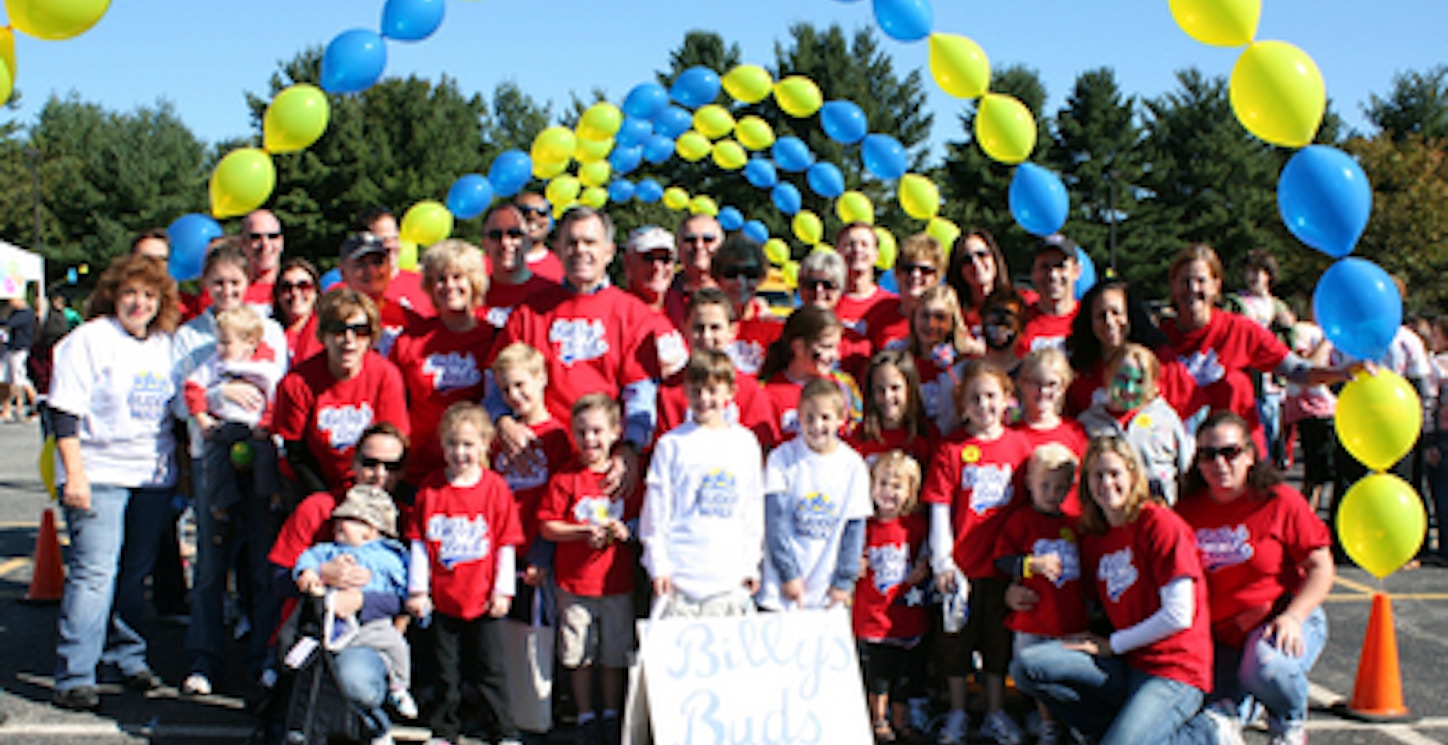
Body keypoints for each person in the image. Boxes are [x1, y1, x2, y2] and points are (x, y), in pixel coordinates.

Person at [1009, 437, 1233, 745]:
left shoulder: (1159, 523)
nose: (1106, 483)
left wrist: (1113, 644)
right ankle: (1109, 732)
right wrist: (1014, 590)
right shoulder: (1095, 536)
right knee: (1027, 666)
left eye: (1115, 473)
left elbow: (1179, 615)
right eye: (1097, 475)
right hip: (1128, 663)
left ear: (1132, 475)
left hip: (1174, 672)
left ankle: (1206, 733)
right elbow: (1071, 589)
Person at [49, 254, 180, 710]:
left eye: (148, 295)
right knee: (93, 574)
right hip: (99, 472)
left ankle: (128, 657)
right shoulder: (89, 340)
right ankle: (74, 675)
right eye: (130, 294)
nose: (139, 303)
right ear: (112, 296)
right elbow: (63, 411)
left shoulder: (165, 345)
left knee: (134, 573)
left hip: (151, 475)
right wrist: (75, 475)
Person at [170, 243, 290, 695]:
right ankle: (204, 658)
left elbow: (273, 391)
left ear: (248, 284)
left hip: (258, 457)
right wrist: (218, 400)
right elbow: (181, 401)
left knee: (261, 564)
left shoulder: (269, 331)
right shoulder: (190, 337)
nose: (226, 291)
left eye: (234, 283)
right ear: (205, 285)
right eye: (217, 283)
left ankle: (262, 656)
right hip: (211, 458)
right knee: (210, 565)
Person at [486, 207, 663, 505]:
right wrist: (502, 421)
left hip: (601, 469)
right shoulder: (529, 312)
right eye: (571, 242)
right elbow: (494, 384)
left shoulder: (632, 313)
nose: (580, 250)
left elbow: (641, 393)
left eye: (589, 242)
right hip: (536, 466)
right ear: (557, 250)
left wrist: (631, 448)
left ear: (608, 251)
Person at [1177, 412, 1334, 745]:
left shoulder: (1279, 500)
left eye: (1230, 452)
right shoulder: (1186, 512)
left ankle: (1289, 722)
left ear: (1250, 455)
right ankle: (1247, 706)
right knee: (1209, 710)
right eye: (1208, 454)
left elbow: (1321, 567)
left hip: (1279, 621)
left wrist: (1294, 616)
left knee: (1266, 667)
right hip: (1221, 637)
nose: (1219, 462)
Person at [267, 422, 413, 744]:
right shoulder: (319, 508)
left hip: (370, 636)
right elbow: (277, 579)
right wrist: (320, 574)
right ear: (353, 463)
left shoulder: (405, 518)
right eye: (370, 463)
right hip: (313, 629)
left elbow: (416, 598)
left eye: (391, 466)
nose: (379, 474)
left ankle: (374, 723)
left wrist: (364, 601)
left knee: (355, 682)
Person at [922, 360, 1032, 745]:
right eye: (975, 398)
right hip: (962, 569)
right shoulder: (951, 448)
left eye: (991, 396)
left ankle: (995, 711)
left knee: (997, 644)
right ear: (962, 403)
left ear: (1006, 399)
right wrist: (942, 560)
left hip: (1002, 567)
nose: (983, 405)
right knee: (955, 643)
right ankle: (956, 712)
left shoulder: (1020, 445)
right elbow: (938, 505)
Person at [406, 402, 525, 745]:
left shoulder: (495, 489)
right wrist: (418, 590)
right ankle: (444, 729)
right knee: (446, 670)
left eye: (469, 444)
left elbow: (505, 543)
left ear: (486, 444)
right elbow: (419, 544)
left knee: (492, 669)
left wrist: (503, 591)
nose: (460, 453)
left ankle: (503, 730)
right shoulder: (430, 490)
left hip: (484, 597)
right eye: (453, 444)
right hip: (444, 597)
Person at [1163, 244, 1352, 456]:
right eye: (1185, 281)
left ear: (1216, 285)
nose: (1193, 288)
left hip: (1237, 460)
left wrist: (1340, 372)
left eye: (1201, 281)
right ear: (1173, 285)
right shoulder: (1156, 339)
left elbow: (1298, 371)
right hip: (1178, 458)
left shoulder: (1240, 330)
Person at [538, 394, 640, 745]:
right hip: (575, 583)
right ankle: (584, 715)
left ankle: (611, 713)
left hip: (616, 582)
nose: (590, 440)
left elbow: (643, 521)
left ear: (615, 432)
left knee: (613, 652)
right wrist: (580, 532)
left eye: (597, 431)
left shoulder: (624, 479)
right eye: (581, 432)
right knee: (578, 653)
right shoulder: (566, 477)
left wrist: (627, 531)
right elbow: (547, 526)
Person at [641, 350, 766, 618]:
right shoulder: (672, 444)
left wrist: (749, 565)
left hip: (728, 577)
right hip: (680, 578)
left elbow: (752, 509)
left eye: (712, 390)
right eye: (696, 391)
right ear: (685, 391)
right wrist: (658, 564)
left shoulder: (745, 443)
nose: (704, 399)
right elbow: (656, 510)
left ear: (730, 391)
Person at [293, 484, 416, 719]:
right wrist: (313, 572)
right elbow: (302, 562)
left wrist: (365, 600)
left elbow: (407, 592)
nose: (338, 524)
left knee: (397, 648)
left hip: (373, 627)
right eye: (339, 518)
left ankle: (398, 688)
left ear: (370, 530)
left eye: (349, 520)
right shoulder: (328, 551)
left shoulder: (390, 556)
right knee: (300, 659)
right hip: (330, 624)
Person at [992, 444, 1087, 745]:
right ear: (1030, 483)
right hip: (1031, 618)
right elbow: (1003, 560)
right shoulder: (1021, 520)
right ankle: (1047, 724)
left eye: (1059, 487)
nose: (1051, 493)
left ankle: (1072, 721)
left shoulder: (1074, 523)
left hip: (1067, 618)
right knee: (1035, 676)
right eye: (1044, 485)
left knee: (1069, 676)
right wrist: (1032, 564)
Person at [273, 288, 409, 495]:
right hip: (314, 484)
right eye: (338, 330)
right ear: (323, 335)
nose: (349, 339)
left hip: (373, 483)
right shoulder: (298, 382)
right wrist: (326, 500)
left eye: (359, 330)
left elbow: (392, 446)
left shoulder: (385, 375)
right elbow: (295, 455)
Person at [388, 239, 494, 488]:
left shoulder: (493, 337)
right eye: (440, 279)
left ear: (474, 282)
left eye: (458, 277)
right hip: (420, 468)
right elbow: (394, 404)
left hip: (476, 468)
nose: (449, 286)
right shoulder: (410, 340)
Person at [758, 378, 871, 611]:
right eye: (809, 417)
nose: (816, 425)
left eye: (825, 417)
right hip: (782, 590)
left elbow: (854, 527)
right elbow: (774, 522)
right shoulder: (782, 459)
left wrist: (843, 581)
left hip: (827, 590)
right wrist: (788, 574)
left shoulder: (853, 466)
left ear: (841, 419)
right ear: (798, 416)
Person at [853, 450, 932, 744]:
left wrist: (923, 568)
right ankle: (878, 720)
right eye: (882, 484)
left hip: (905, 614)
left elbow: (926, 556)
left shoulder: (915, 526)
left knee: (903, 674)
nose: (888, 492)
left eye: (897, 486)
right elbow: (852, 558)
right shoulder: (864, 526)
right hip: (873, 614)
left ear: (910, 492)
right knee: (879, 674)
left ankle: (901, 719)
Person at [181, 305, 284, 526]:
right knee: (215, 458)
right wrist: (202, 419)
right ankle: (220, 504)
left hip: (254, 425)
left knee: (267, 455)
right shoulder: (215, 363)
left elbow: (275, 398)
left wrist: (265, 425)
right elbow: (192, 387)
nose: (220, 347)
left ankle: (271, 495)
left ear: (250, 342)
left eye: (227, 343)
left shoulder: (265, 367)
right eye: (219, 341)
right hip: (226, 424)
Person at [654, 290, 779, 449]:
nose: (706, 336)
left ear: (732, 330)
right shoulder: (669, 392)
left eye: (715, 328)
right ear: (684, 328)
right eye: (698, 328)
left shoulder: (750, 391)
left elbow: (761, 450)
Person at [1066, 278, 1201, 419]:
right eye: (1101, 315)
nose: (1109, 322)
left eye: (1116, 312)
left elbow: (1193, 411)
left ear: (1131, 316)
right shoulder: (1082, 371)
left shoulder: (1160, 361)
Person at [1079, 343, 1193, 505]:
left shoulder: (1165, 418)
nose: (1129, 389)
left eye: (1139, 381)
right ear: (1107, 375)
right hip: (1107, 516)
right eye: (1122, 379)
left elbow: (1185, 471)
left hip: (1158, 511)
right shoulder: (1089, 422)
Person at [1225, 249, 1295, 466]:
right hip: (1247, 377)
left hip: (1273, 380)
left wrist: (1289, 326)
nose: (1253, 276)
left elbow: (1290, 343)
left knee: (1272, 431)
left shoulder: (1279, 306)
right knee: (1251, 433)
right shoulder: (1236, 302)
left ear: (1269, 275)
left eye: (1259, 271)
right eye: (1249, 271)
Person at [759, 305, 863, 442]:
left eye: (836, 347)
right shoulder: (765, 392)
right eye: (827, 347)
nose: (836, 356)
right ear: (799, 347)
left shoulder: (845, 386)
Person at [1013, 349, 1088, 513]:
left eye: (1052, 384)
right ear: (1022, 383)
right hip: (1024, 529)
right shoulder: (1011, 434)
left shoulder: (1075, 432)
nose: (1043, 391)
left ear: (1064, 387)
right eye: (1035, 383)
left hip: (1069, 526)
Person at [847, 349, 936, 468]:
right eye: (879, 389)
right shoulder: (858, 438)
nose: (887, 396)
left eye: (895, 388)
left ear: (909, 388)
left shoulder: (927, 436)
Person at [872, 233, 958, 354]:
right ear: (897, 273)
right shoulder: (879, 313)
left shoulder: (948, 316)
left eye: (925, 270)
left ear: (937, 277)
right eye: (908, 269)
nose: (915, 275)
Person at [339, 232, 421, 357]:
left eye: (377, 262)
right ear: (343, 272)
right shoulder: (334, 320)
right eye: (361, 264)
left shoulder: (406, 318)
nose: (371, 271)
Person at [907, 285, 974, 435]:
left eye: (940, 317)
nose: (931, 324)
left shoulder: (964, 366)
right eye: (924, 316)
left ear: (952, 322)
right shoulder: (902, 359)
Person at [710, 236, 781, 376]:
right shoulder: (705, 323)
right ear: (717, 277)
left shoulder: (772, 328)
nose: (740, 282)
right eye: (731, 273)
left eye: (750, 274)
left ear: (761, 278)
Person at [797, 248, 873, 379]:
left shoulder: (856, 345)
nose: (818, 290)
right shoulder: (781, 336)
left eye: (827, 285)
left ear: (840, 290)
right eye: (811, 284)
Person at [481, 204, 558, 331]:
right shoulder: (471, 294)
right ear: (484, 242)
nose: (505, 242)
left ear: (528, 241)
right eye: (496, 235)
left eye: (514, 234)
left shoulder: (550, 293)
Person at [945, 229, 1030, 338]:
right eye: (967, 259)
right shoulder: (953, 314)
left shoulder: (1024, 302)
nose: (975, 263)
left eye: (981, 254)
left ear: (994, 259)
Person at [357, 205, 435, 319]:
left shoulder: (425, 285)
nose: (391, 246)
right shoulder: (348, 292)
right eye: (383, 240)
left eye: (395, 239)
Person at [1018, 235, 1082, 355]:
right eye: (1044, 267)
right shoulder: (1019, 321)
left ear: (1076, 271)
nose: (1053, 275)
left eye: (1060, 266)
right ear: (1033, 272)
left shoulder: (1089, 319)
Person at [833, 223, 897, 340]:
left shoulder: (893, 305)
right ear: (838, 253)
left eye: (864, 244)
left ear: (876, 254)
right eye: (849, 245)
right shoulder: (827, 303)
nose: (857, 250)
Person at [662, 213, 725, 329]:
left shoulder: (735, 291)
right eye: (690, 240)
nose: (699, 246)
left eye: (708, 240)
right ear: (678, 246)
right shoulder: (662, 292)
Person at [273, 257, 323, 365]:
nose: (295, 293)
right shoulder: (268, 333)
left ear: (316, 292)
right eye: (287, 287)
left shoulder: (327, 333)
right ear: (277, 295)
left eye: (304, 286)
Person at [240, 209, 287, 314]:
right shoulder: (229, 293)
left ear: (281, 241)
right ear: (243, 244)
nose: (265, 244)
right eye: (256, 237)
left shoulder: (299, 290)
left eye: (272, 236)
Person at [514, 192, 565, 283]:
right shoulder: (488, 265)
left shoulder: (564, 268)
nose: (533, 216)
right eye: (525, 211)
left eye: (542, 212)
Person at [3, 293, 37, 421]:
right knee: (12, 379)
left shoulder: (25, 314)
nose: (10, 302)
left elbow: (9, 323)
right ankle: (17, 408)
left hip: (20, 349)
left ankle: (33, 406)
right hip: (13, 348)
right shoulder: (18, 313)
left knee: (20, 379)